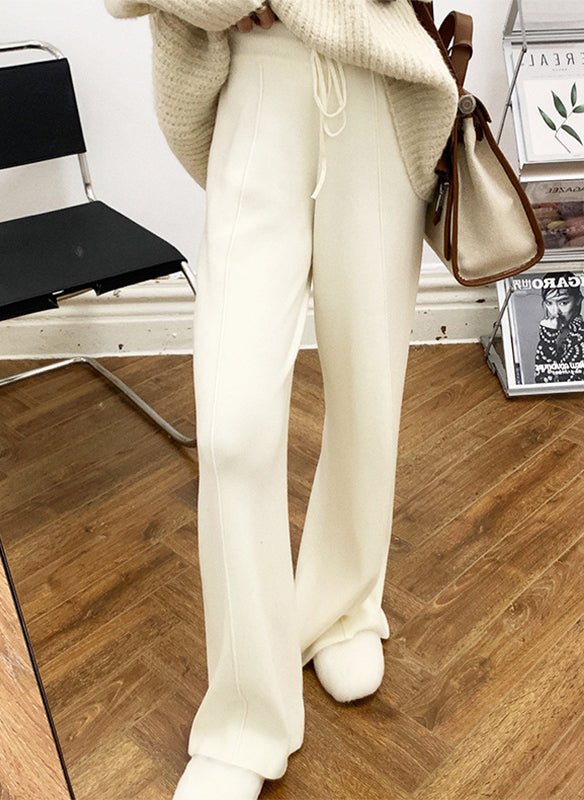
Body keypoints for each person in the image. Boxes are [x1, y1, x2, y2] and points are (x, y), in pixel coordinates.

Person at [105, 1, 458, 798]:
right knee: (232, 428)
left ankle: (344, 607)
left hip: (375, 88)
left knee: (369, 391)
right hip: (253, 88)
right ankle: (243, 719)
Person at [534, 272, 584, 383]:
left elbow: (553, 382)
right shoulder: (550, 329)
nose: (556, 312)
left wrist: (548, 340)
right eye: (549, 303)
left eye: (563, 303)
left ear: (578, 300)